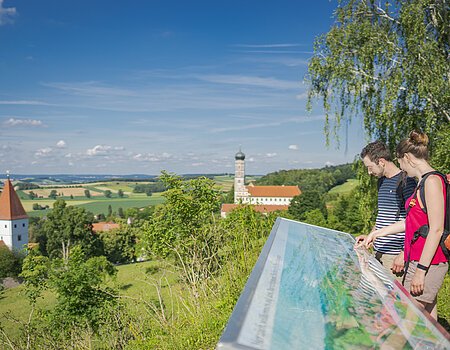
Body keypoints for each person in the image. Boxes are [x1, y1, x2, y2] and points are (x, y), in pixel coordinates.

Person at [365, 131, 448, 319]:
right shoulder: (422, 183)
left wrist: (420, 271)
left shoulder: (432, 181)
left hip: (428, 262)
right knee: (426, 320)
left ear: (407, 158)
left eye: (400, 162)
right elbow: (409, 222)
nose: (401, 168)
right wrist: (375, 234)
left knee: (405, 321)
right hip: (417, 258)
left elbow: (436, 229)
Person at [355, 141, 416, 280]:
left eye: (370, 167)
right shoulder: (381, 182)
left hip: (395, 257)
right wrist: (370, 235)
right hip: (377, 253)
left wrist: (403, 253)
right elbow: (383, 216)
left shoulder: (407, 182)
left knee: (395, 301)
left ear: (381, 162)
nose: (369, 172)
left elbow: (413, 221)